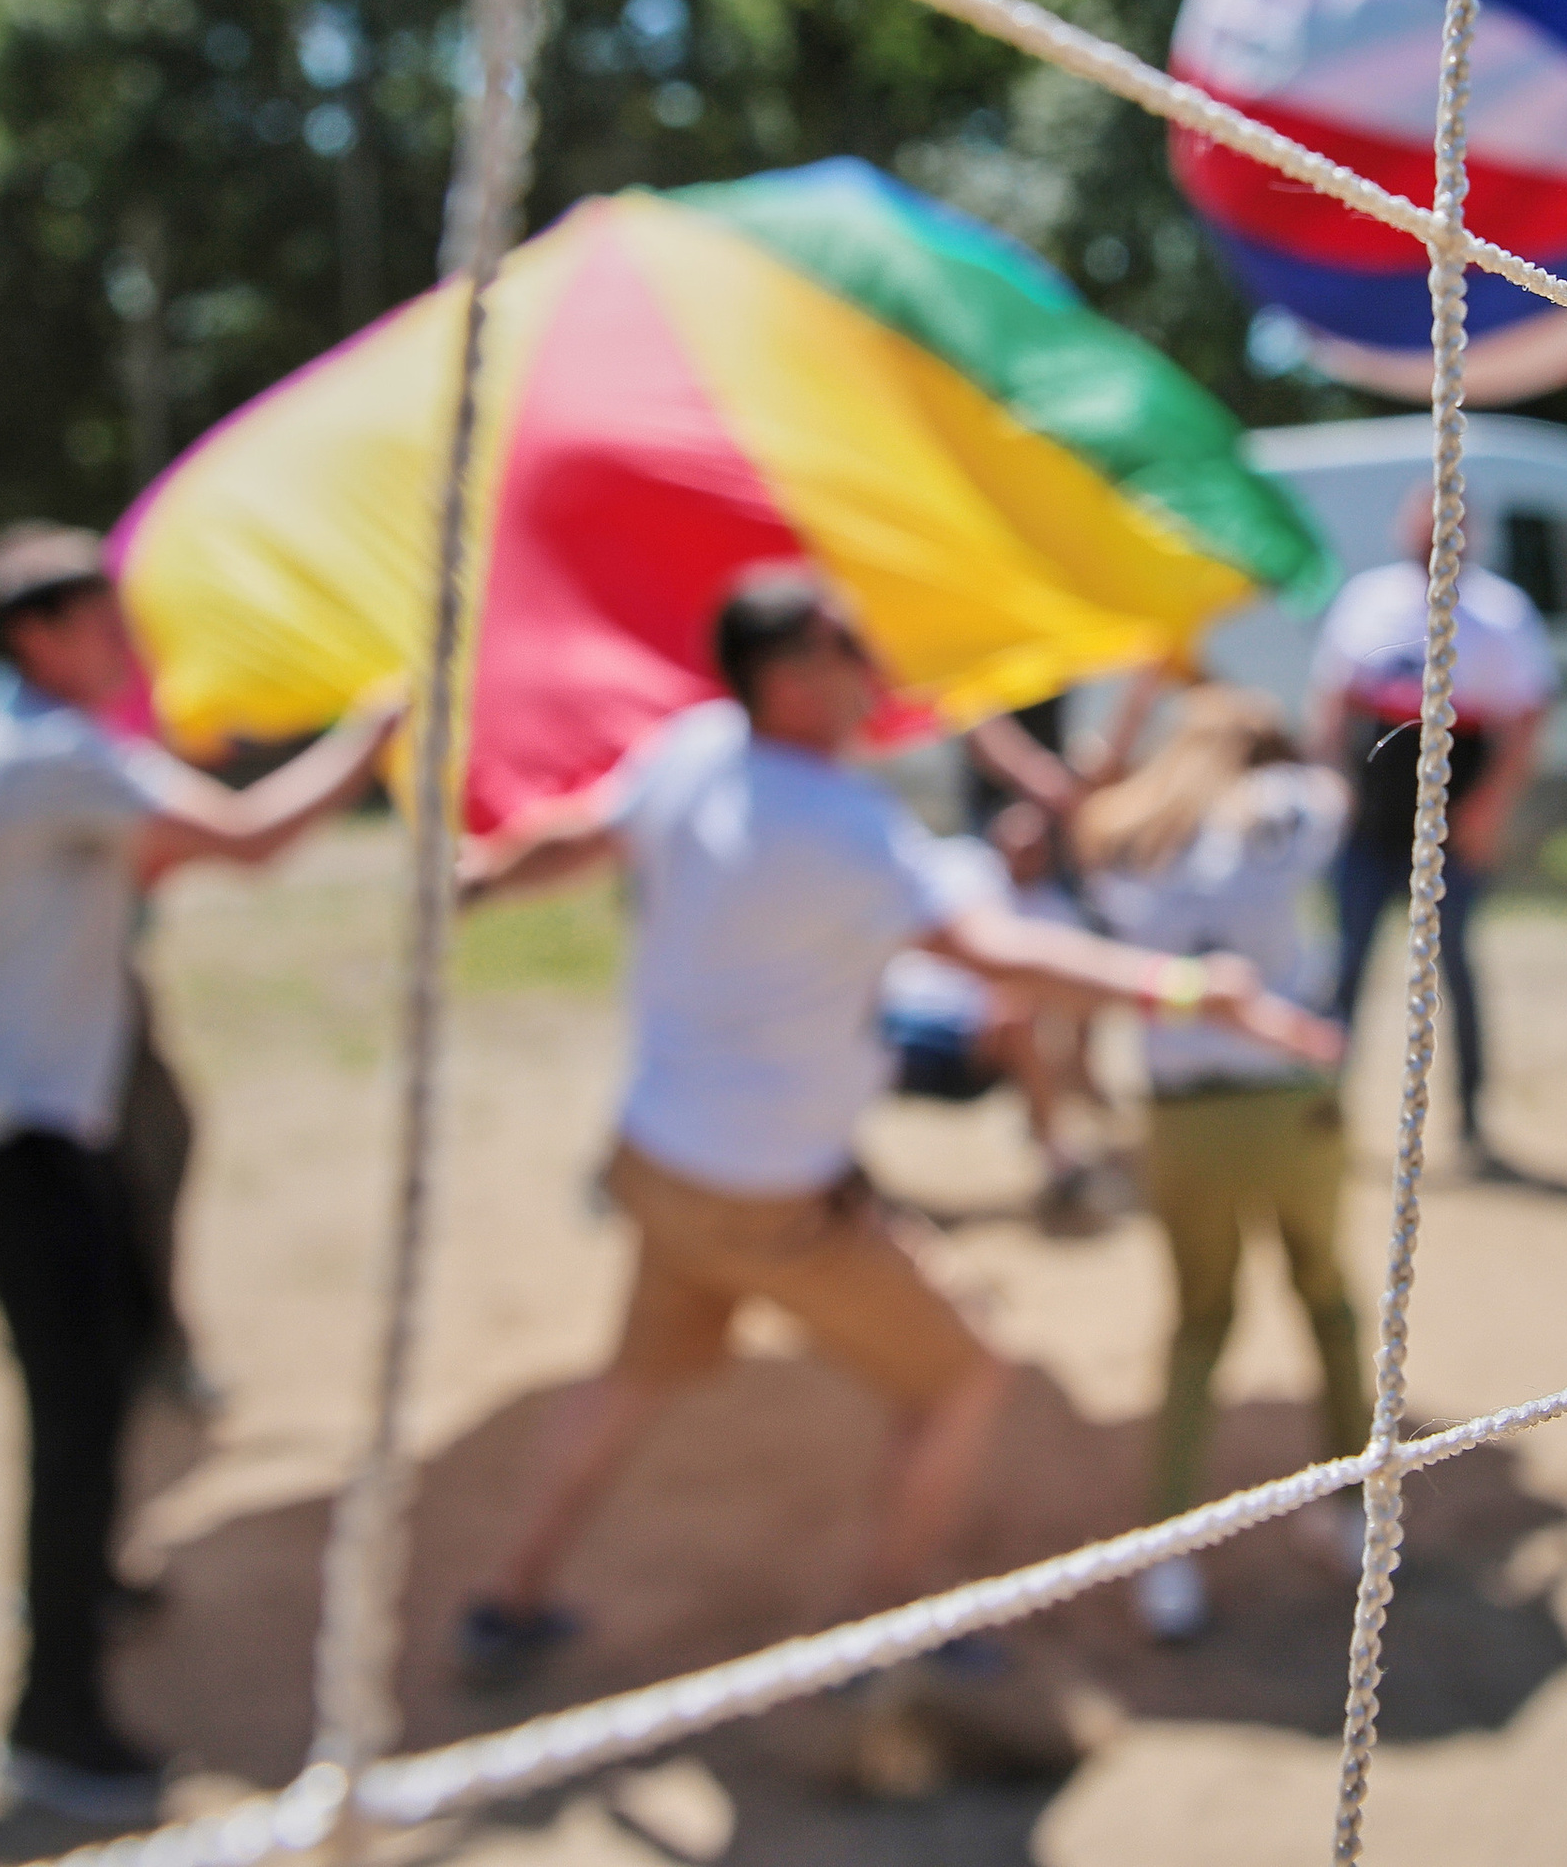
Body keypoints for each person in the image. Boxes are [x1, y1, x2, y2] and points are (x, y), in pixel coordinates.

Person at [451, 568, 1339, 1686]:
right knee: (965, 1375)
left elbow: (576, 835)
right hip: (771, 1190)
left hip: (663, 1158)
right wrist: (1183, 990)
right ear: (789, 679)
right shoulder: (845, 823)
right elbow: (1001, 953)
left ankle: (508, 1599)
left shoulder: (688, 752)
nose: (871, 668)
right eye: (847, 649)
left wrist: (478, 877)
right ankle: (886, 1627)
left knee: (626, 1380)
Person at [0, 523, 402, 1825]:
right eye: (99, 626)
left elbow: (154, 813)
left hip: (33, 1113)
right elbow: (244, 844)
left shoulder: (22, 725)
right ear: (36, 636)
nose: (122, 647)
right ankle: (48, 1722)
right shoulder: (45, 753)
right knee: (74, 1410)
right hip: (18, 1131)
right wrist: (372, 729)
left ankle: (89, 1583)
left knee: (117, 1346)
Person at [1072, 686, 1366, 1642]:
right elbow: (1338, 789)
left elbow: (1088, 817)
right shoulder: (1284, 807)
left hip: (1179, 1119)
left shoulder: (1135, 829)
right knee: (1325, 1297)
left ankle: (1169, 1554)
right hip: (1287, 1101)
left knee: (1198, 1326)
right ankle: (1352, 1510)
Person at [1308, 483, 1554, 1165]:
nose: (1433, 534)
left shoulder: (1501, 615)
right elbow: (1330, 703)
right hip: (1368, 827)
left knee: (1457, 973)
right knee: (1346, 968)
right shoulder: (1368, 601)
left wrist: (1486, 810)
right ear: (1403, 525)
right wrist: (1331, 784)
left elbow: (1528, 721)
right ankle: (1322, 1108)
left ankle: (1473, 1122)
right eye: (1424, 520)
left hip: (1450, 834)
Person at [878, 800, 1109, 1220]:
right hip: (895, 1021)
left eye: (1037, 840)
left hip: (971, 1043)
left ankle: (1058, 1161)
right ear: (995, 832)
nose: (1025, 845)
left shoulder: (1057, 913)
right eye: (1016, 832)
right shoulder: (955, 864)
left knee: (1014, 1011)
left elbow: (1074, 1000)